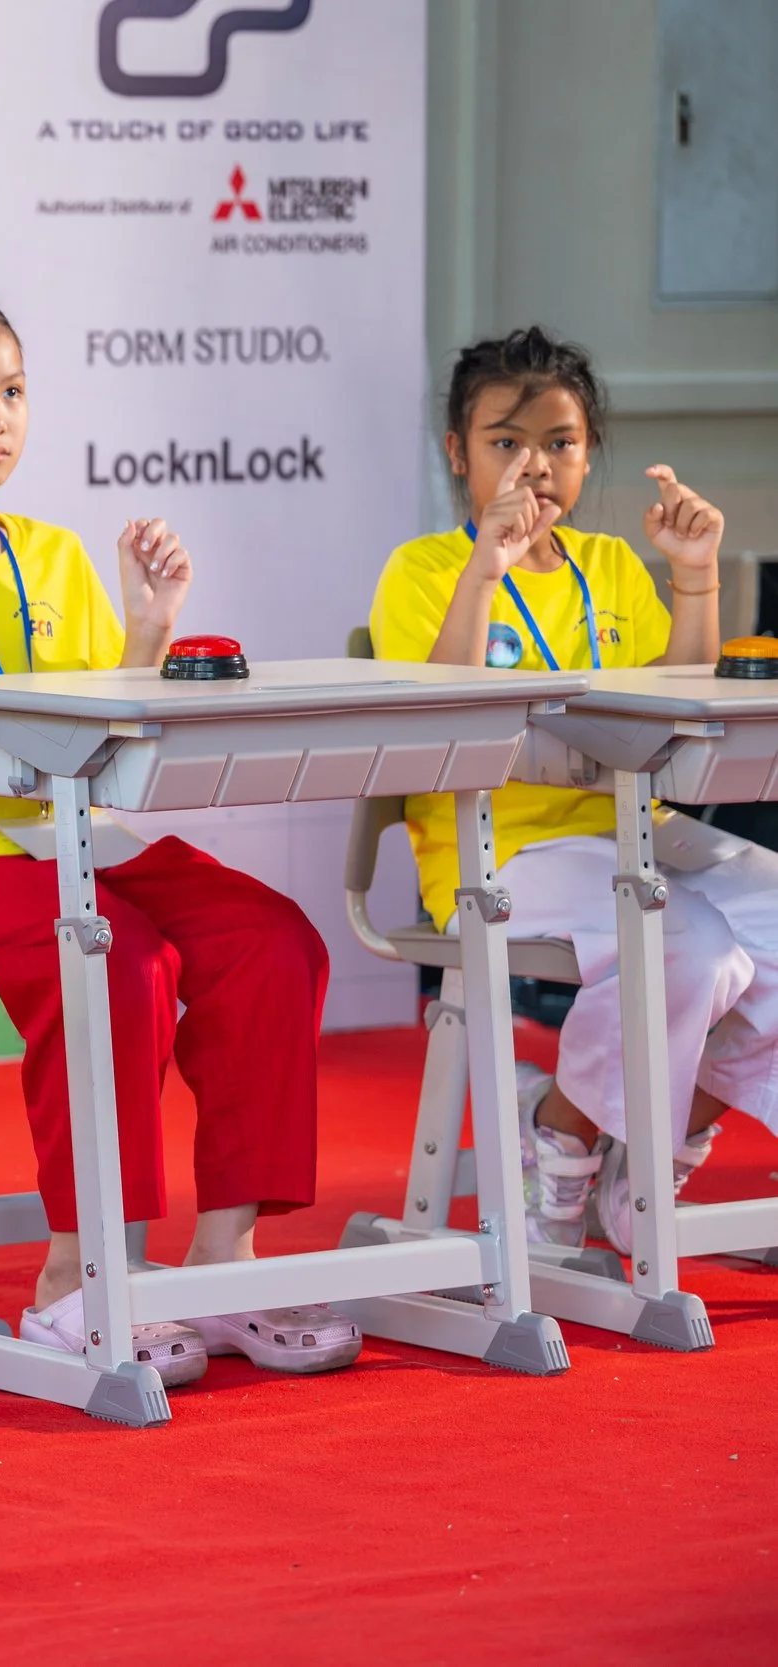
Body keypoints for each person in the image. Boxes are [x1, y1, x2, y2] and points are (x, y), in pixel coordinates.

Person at [0, 279, 356, 1384]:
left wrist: (148, 623)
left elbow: (108, 718)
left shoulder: (49, 550)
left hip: (79, 836)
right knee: (118, 959)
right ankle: (78, 1272)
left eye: (12, 392)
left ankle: (224, 1259)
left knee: (273, 936)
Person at [369, 325, 770, 1253]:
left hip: (633, 826)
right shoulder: (426, 569)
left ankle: (651, 1161)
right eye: (506, 443)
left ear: (589, 455)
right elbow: (438, 717)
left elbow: (675, 707)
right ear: (457, 454)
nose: (534, 467)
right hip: (494, 847)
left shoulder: (612, 569)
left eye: (560, 443)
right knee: (691, 944)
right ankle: (565, 1138)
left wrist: (695, 577)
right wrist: (486, 569)